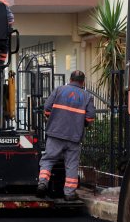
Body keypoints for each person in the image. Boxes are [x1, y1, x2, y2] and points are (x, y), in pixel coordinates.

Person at [36, 70, 95, 202]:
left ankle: (42, 184)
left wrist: (54, 118)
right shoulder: (87, 96)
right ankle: (69, 194)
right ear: (83, 82)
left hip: (55, 133)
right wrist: (82, 123)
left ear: (70, 79)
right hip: (74, 137)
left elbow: (46, 109)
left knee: (48, 159)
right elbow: (90, 118)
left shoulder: (58, 90)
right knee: (71, 164)